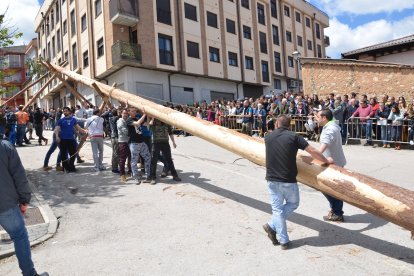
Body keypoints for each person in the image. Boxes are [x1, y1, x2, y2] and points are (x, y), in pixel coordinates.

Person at [263, 115, 330, 250]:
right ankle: (283, 240)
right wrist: (325, 161)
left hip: (271, 178)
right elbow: (312, 151)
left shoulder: (268, 137)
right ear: (289, 125)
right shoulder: (294, 136)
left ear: (276, 124)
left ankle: (272, 226)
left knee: (277, 210)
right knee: (293, 204)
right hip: (288, 178)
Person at [0, 139, 49, 276]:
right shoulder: (5, 146)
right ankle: (29, 274)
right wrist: (25, 199)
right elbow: (19, 176)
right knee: (20, 236)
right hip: (5, 203)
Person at [316, 109, 347, 222]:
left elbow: (325, 142)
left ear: (324, 118)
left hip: (332, 164)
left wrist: (315, 156)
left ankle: (337, 212)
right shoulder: (332, 126)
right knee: (331, 188)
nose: (316, 118)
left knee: (328, 188)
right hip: (334, 162)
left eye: (318, 116)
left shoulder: (329, 129)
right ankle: (335, 210)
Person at [148, 117, 181, 184]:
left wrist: (173, 142)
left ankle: (175, 175)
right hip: (156, 143)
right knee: (154, 160)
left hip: (165, 143)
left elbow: (170, 132)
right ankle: (153, 177)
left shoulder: (166, 122)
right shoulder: (154, 121)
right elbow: (149, 128)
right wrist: (153, 118)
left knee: (169, 160)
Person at [55, 107, 87, 173]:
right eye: (64, 111)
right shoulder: (61, 120)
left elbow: (78, 128)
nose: (65, 112)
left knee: (73, 153)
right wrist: (57, 136)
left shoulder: (73, 120)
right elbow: (57, 129)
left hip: (71, 139)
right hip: (63, 139)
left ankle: (71, 167)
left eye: (66, 111)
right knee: (63, 155)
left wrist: (84, 131)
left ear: (69, 112)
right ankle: (66, 168)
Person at [126, 107, 151, 184]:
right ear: (129, 112)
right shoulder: (129, 120)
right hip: (134, 143)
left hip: (142, 142)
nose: (135, 112)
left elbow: (147, 124)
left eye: (135, 111)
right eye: (132, 111)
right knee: (134, 161)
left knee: (148, 157)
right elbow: (137, 123)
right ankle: (136, 177)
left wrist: (149, 117)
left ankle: (148, 175)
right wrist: (144, 114)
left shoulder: (137, 118)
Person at [117, 109, 132, 182]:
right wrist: (133, 131)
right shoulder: (120, 121)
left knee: (130, 157)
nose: (125, 115)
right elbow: (125, 131)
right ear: (121, 113)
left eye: (127, 113)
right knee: (123, 159)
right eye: (124, 113)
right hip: (123, 142)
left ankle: (130, 171)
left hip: (128, 141)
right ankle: (122, 174)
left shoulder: (127, 120)